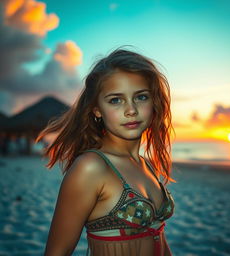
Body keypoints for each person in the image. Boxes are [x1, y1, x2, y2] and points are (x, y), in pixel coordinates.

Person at [36, 46, 177, 256]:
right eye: (115, 100)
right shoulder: (91, 167)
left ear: (154, 102)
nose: (131, 110)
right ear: (97, 110)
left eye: (141, 97)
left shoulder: (145, 164)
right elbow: (58, 252)